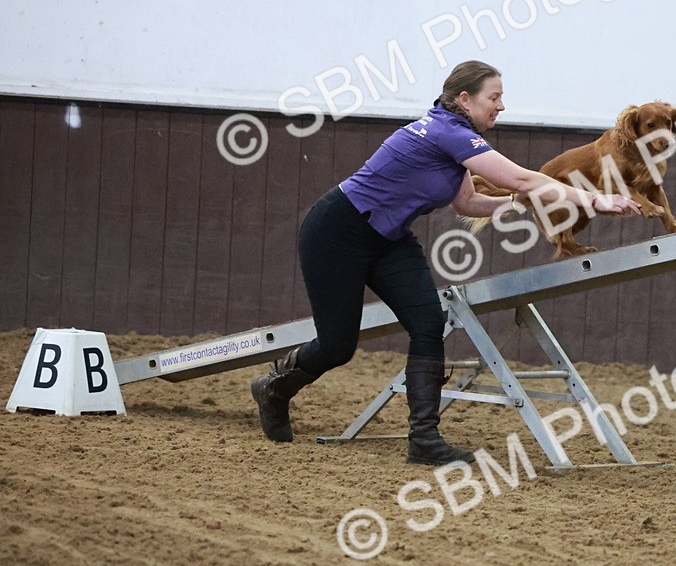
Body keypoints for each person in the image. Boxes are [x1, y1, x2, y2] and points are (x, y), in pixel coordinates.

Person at [250, 60, 642, 465]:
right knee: (337, 345)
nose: (501, 106)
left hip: (388, 239)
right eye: (495, 97)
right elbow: (522, 179)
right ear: (465, 98)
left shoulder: (453, 136)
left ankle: (424, 439)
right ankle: (274, 388)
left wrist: (513, 203)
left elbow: (468, 202)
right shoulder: (446, 132)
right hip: (336, 233)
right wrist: (594, 199)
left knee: (427, 322)